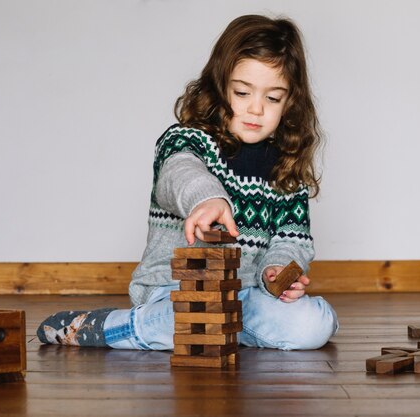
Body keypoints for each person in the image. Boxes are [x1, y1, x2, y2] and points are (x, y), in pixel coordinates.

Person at [37, 14, 338, 351]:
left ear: (290, 102)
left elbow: (292, 237)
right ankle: (107, 326)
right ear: (220, 85)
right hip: (173, 289)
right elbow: (178, 174)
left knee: (315, 323)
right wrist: (206, 198)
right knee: (191, 314)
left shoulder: (287, 166)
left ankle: (222, 328)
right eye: (242, 92)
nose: (256, 109)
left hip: (246, 296)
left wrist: (277, 273)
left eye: (272, 98)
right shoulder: (186, 140)